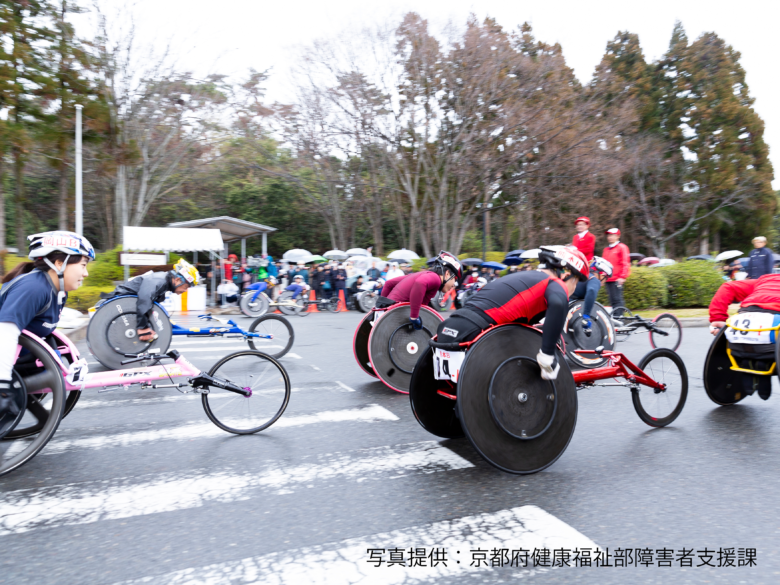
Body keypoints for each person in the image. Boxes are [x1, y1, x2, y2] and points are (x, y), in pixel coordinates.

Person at [436, 245, 589, 380]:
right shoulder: (553, 282)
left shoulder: (518, 277)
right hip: (477, 331)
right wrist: (547, 356)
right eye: (575, 281)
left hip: (450, 327)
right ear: (565, 273)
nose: (574, 289)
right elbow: (558, 303)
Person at [0, 231, 95, 438]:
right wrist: (3, 385)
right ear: (60, 263)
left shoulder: (58, 291)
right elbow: (5, 334)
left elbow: (43, 331)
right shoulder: (34, 287)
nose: (86, 273)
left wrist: (68, 364)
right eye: (83, 265)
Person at [709, 273, 780, 400]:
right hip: (774, 326)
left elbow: (728, 287)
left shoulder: (765, 279)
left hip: (740, 326)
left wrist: (717, 318)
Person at [103, 258, 199, 341]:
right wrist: (143, 328)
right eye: (186, 287)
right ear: (177, 280)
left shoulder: (163, 281)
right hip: (119, 302)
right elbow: (145, 299)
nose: (185, 291)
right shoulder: (159, 280)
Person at [380, 251, 463, 330]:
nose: (454, 284)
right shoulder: (436, 279)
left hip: (391, 316)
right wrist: (414, 317)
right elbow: (420, 283)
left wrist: (382, 308)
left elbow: (388, 284)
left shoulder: (419, 274)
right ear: (447, 274)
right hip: (397, 317)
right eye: (455, 279)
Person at [570, 256, 613, 335]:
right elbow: (592, 291)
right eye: (605, 279)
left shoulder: (583, 275)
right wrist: (586, 316)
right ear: (602, 275)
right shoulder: (594, 280)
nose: (603, 284)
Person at [601, 228, 630, 308]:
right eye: (609, 235)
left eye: (612, 235)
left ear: (618, 236)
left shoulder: (622, 247)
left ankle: (619, 318)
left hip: (617, 279)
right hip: (608, 279)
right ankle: (615, 318)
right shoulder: (606, 249)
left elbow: (625, 263)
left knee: (617, 300)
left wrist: (622, 277)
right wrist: (602, 277)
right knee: (612, 300)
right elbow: (603, 265)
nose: (610, 237)